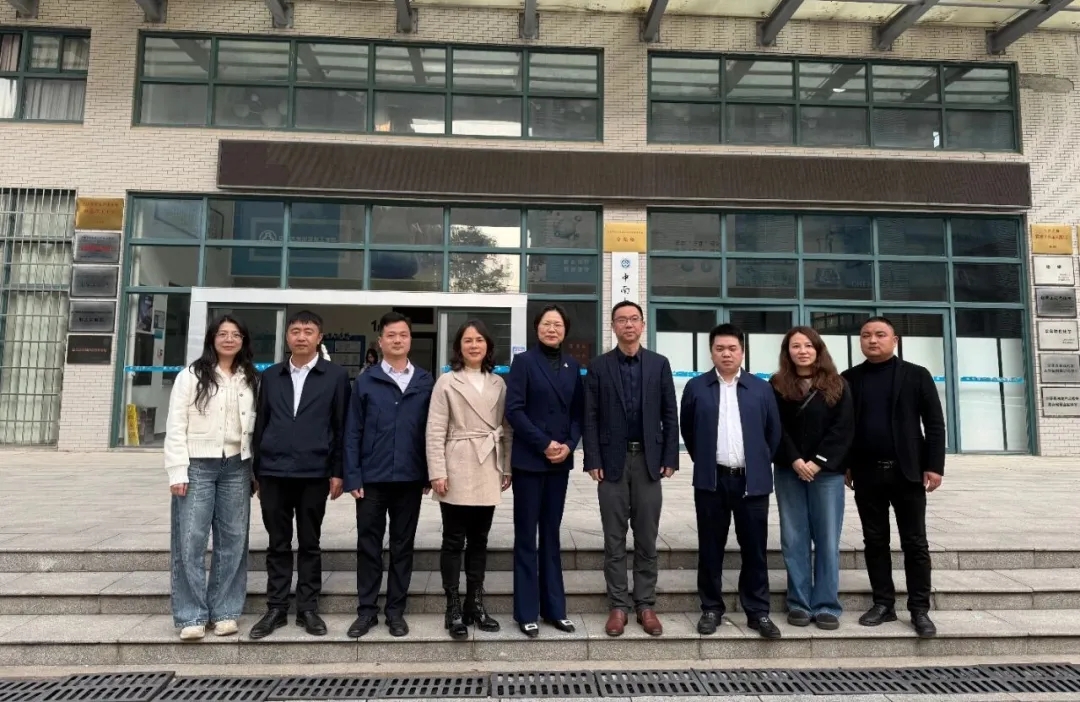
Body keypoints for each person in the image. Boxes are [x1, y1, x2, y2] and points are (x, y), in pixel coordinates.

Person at [248, 310, 350, 639]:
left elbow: (341, 426)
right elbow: (261, 423)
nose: (301, 336)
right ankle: (276, 608)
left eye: (308, 331)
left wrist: (338, 471)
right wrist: (257, 470)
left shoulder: (335, 376)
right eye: (295, 330)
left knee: (310, 542)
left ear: (319, 337)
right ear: (287, 336)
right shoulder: (271, 375)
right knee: (277, 543)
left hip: (314, 471)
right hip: (273, 471)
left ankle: (307, 608)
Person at [842, 316, 946, 639]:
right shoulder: (849, 378)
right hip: (866, 473)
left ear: (895, 340)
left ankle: (919, 609)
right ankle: (883, 604)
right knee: (875, 542)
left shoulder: (916, 375)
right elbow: (843, 427)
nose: (872, 340)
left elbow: (934, 423)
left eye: (880, 334)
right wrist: (846, 463)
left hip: (907, 472)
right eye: (866, 335)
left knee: (915, 543)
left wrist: (934, 465)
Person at [681, 323, 782, 640]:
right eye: (720, 348)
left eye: (732, 348)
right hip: (712, 481)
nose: (726, 354)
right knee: (710, 548)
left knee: (755, 549)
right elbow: (689, 430)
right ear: (711, 352)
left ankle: (758, 611)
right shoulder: (697, 387)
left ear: (742, 352)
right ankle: (711, 608)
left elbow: (773, 433)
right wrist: (706, 461)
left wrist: (758, 461)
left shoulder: (761, 388)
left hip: (752, 483)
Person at [583, 301, 678, 638]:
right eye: (621, 320)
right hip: (612, 462)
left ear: (642, 325)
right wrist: (592, 459)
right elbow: (590, 416)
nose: (628, 325)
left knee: (647, 537)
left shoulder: (659, 364)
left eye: (633, 319)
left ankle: (645, 604)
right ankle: (618, 606)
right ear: (613, 326)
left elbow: (670, 413)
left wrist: (670, 456)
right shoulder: (598, 366)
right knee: (614, 537)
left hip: (649, 461)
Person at [163, 315, 258, 641]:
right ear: (212, 339)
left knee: (233, 540)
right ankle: (191, 615)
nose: (229, 339)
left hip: (237, 466)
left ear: (243, 340)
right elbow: (176, 425)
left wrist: (254, 470)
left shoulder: (250, 378)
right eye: (223, 334)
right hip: (197, 466)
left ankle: (225, 612)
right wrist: (177, 470)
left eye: (236, 334)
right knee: (190, 540)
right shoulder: (191, 376)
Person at [344, 311, 435, 639]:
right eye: (391, 335)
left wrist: (429, 473)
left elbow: (431, 430)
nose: (397, 340)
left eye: (403, 335)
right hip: (372, 478)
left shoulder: (425, 381)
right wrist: (352, 475)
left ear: (410, 340)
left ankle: (396, 611)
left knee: (402, 545)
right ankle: (366, 611)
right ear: (380, 341)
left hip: (410, 478)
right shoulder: (365, 380)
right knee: (368, 545)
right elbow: (352, 431)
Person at [426, 320, 513, 640]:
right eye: (467, 340)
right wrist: (437, 471)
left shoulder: (499, 383)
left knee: (480, 539)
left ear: (488, 346)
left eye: (479, 340)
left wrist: (507, 467)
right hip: (457, 462)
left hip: (488, 464)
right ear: (458, 347)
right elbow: (435, 429)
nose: (474, 345)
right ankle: (452, 605)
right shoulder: (447, 381)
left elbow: (507, 428)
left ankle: (475, 602)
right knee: (453, 539)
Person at [505, 304, 584, 638]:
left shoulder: (573, 366)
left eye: (558, 325)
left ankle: (555, 609)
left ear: (565, 330)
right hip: (530, 460)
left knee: (551, 534)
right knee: (526, 535)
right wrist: (544, 443)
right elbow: (514, 410)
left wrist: (569, 444)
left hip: (559, 463)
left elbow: (578, 413)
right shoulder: (523, 363)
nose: (552, 329)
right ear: (536, 328)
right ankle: (526, 612)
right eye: (546, 324)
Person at [770, 326, 854, 631]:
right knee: (794, 537)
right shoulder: (777, 385)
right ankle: (799, 602)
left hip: (827, 474)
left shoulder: (837, 384)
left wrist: (817, 462)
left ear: (818, 350)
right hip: (789, 470)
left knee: (827, 539)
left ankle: (827, 604)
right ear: (787, 352)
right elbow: (775, 427)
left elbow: (843, 428)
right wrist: (795, 460)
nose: (802, 351)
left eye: (808, 345)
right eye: (796, 346)